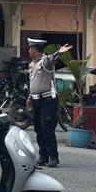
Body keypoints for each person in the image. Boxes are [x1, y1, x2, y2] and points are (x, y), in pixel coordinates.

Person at [26, 38, 73, 167]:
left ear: (34, 49)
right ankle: (43, 156)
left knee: (47, 128)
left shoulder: (45, 62)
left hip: (47, 100)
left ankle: (53, 157)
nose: (29, 50)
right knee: (38, 129)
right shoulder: (32, 64)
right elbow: (33, 81)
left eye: (30, 48)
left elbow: (51, 59)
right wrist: (29, 97)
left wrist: (59, 52)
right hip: (36, 100)